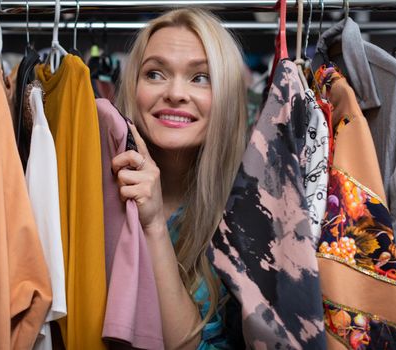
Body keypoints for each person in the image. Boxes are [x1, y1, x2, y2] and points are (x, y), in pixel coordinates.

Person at [113, 8, 248, 349]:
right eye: (155, 74)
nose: (175, 93)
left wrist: (155, 225)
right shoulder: (93, 185)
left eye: (200, 77)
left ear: (228, 98)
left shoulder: (247, 219)